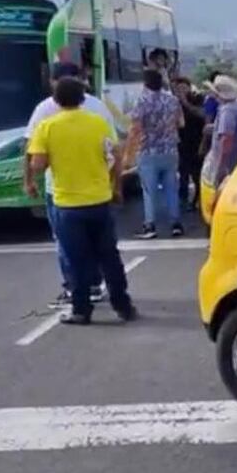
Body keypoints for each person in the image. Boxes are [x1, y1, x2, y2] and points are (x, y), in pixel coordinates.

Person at [26, 77, 136, 325]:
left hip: (67, 204)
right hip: (99, 200)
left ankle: (81, 309)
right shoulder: (97, 123)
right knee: (109, 256)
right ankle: (123, 305)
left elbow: (38, 163)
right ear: (82, 99)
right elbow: (115, 156)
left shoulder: (47, 127)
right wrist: (115, 187)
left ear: (55, 99)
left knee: (76, 259)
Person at [130, 68, 185, 239]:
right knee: (171, 188)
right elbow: (181, 123)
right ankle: (176, 224)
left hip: (147, 151)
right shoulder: (172, 100)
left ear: (145, 83)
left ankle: (150, 225)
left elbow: (136, 129)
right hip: (170, 150)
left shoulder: (141, 101)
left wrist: (128, 152)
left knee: (149, 190)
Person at [205, 74, 237, 210]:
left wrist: (221, 166)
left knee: (221, 202)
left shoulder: (227, 111)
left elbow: (227, 138)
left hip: (229, 165)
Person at [173, 76, 207, 212]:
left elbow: (202, 115)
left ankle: (198, 199)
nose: (180, 91)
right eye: (177, 88)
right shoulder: (173, 102)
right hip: (182, 143)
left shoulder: (198, 98)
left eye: (182, 87)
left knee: (197, 174)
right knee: (183, 174)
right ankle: (183, 201)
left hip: (197, 141)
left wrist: (185, 102)